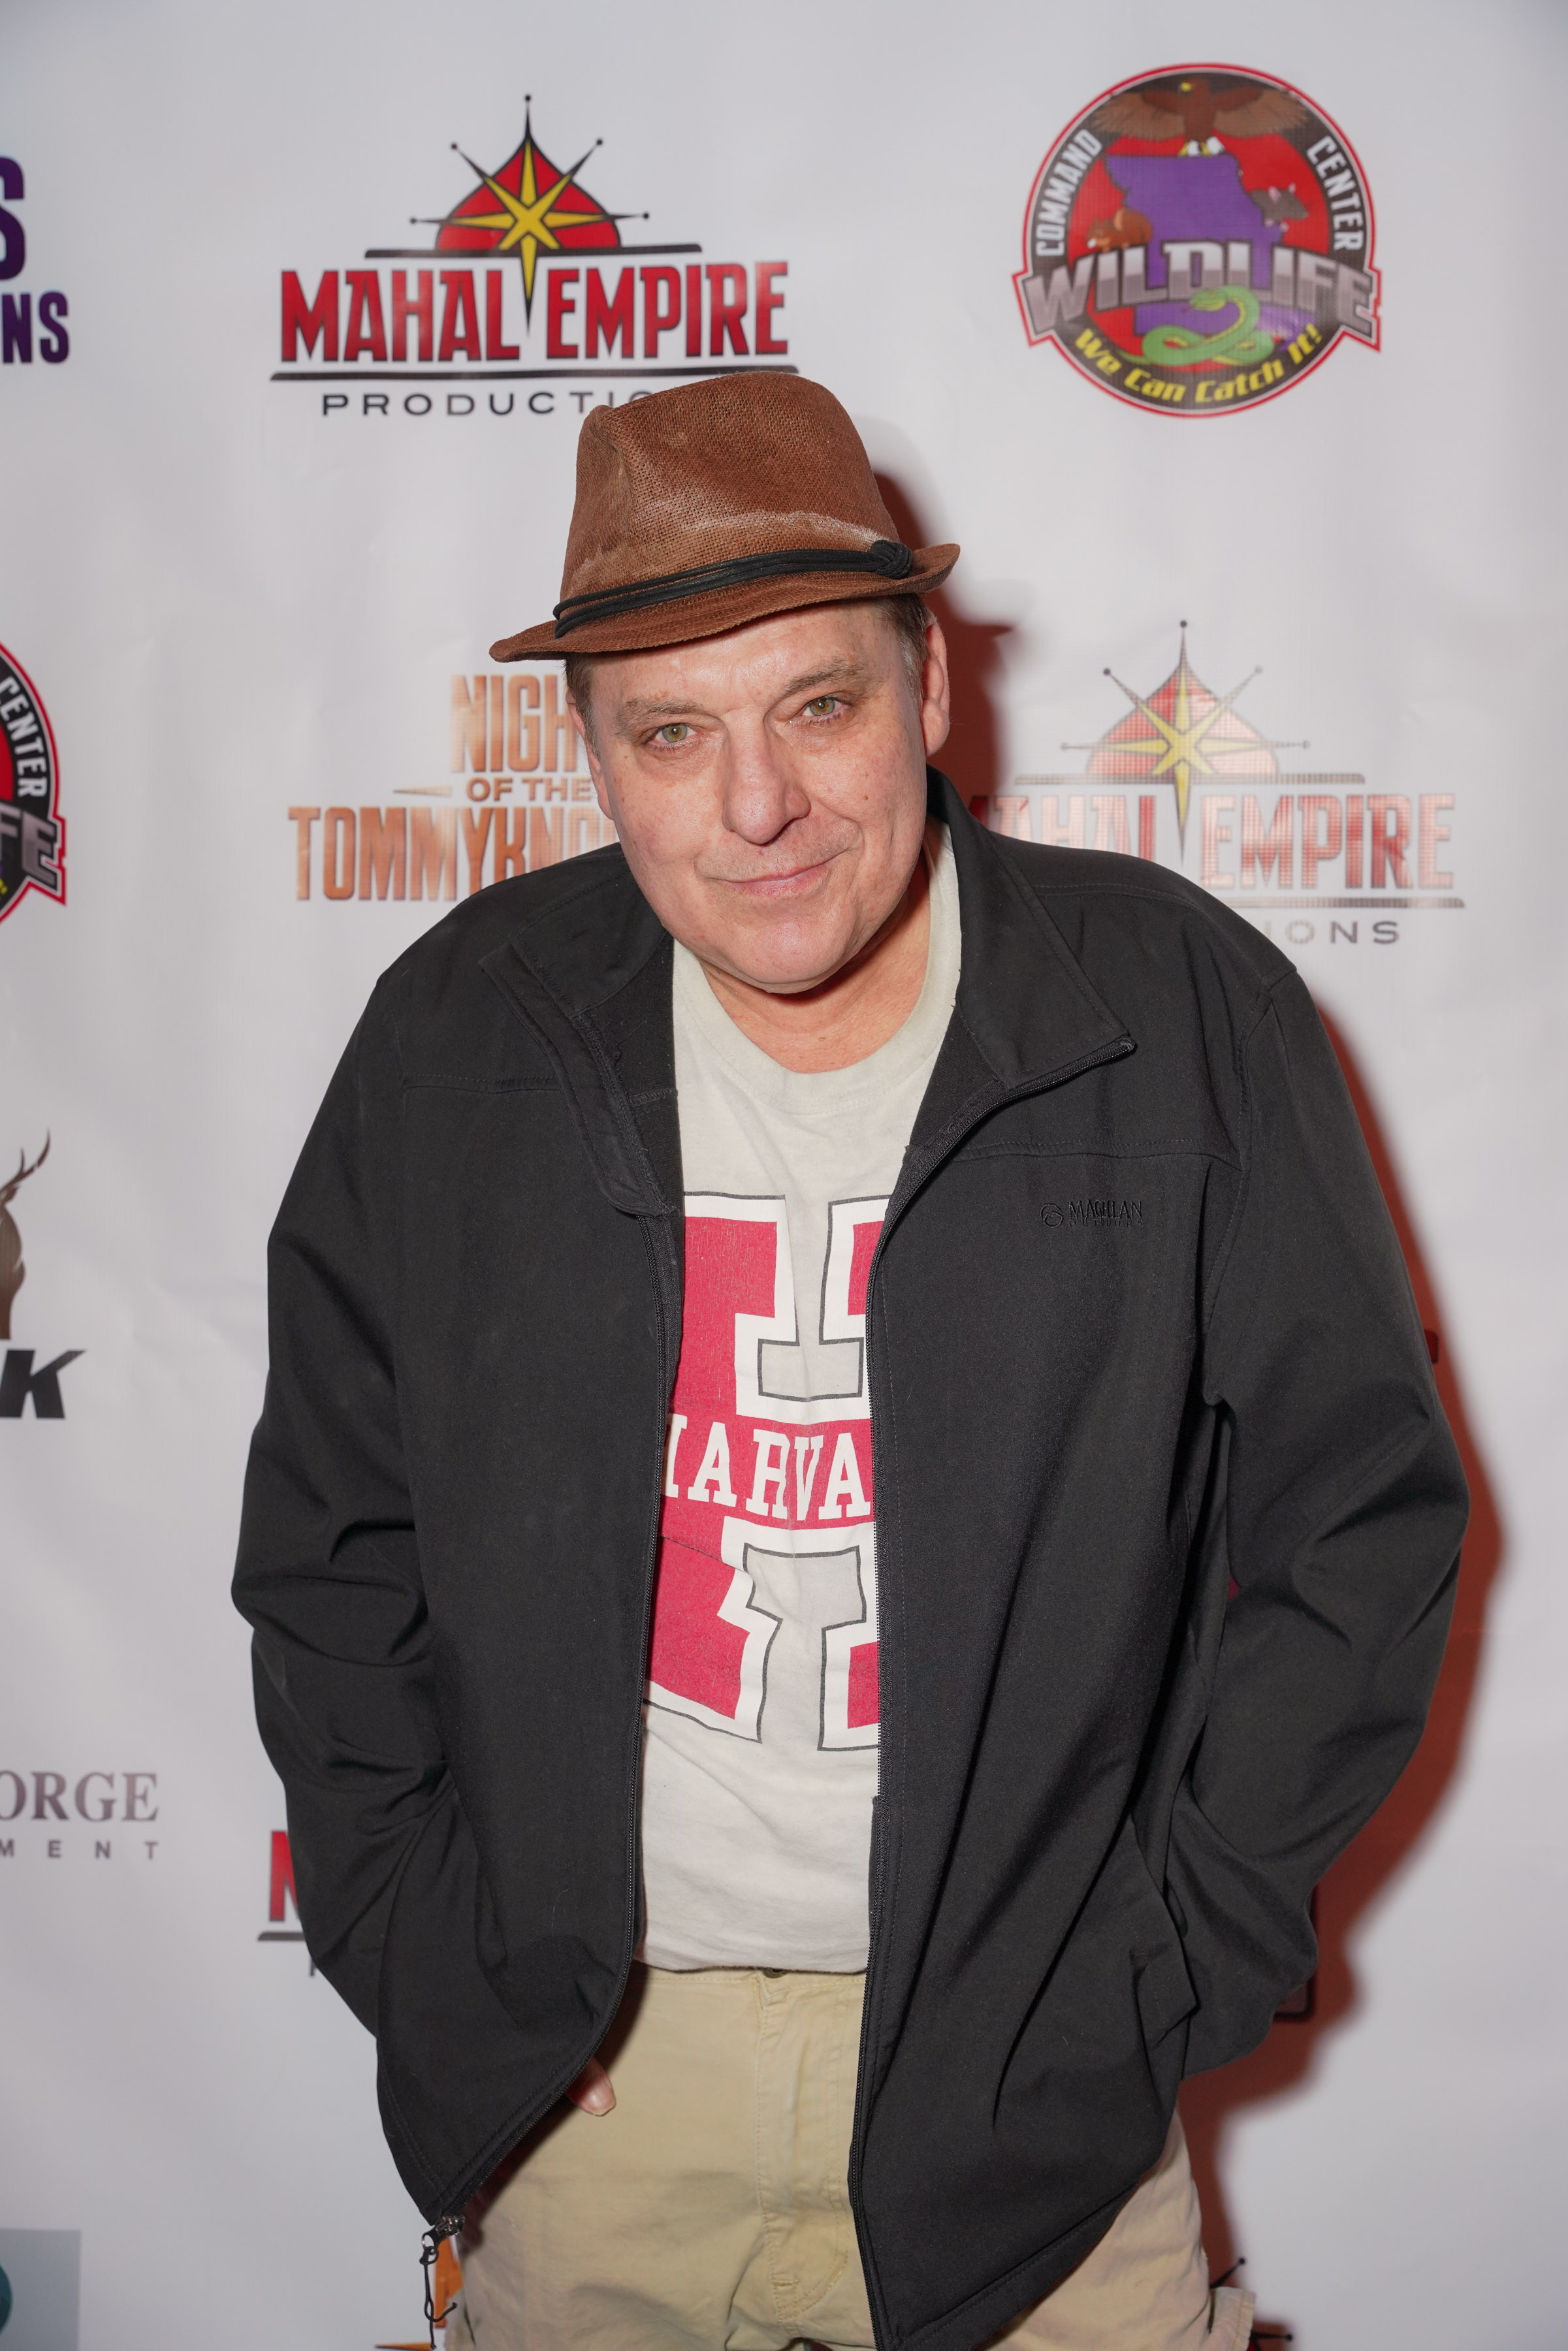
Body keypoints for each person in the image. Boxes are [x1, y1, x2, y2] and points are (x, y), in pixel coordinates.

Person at [233, 374, 1467, 2351]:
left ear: (929, 692)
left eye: (818, 705)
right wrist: (436, 1958)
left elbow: (1362, 1529)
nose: (756, 808)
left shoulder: (1172, 1005)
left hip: (1037, 2098)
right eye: (670, 733)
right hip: (595, 2097)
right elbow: (329, 1545)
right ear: (592, 759)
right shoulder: (460, 1033)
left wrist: (1159, 1962)